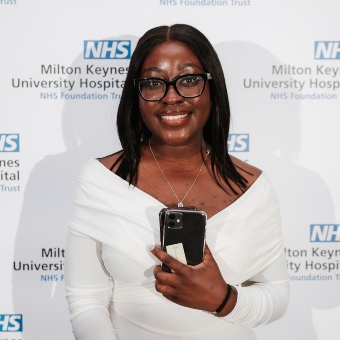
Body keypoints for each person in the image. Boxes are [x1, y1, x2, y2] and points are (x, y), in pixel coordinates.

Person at [65, 24, 289, 340]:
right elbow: (86, 300)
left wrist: (222, 299)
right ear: (137, 94)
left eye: (189, 80)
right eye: (154, 83)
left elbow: (277, 296)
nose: (171, 97)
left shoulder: (253, 187)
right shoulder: (100, 180)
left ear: (212, 87)